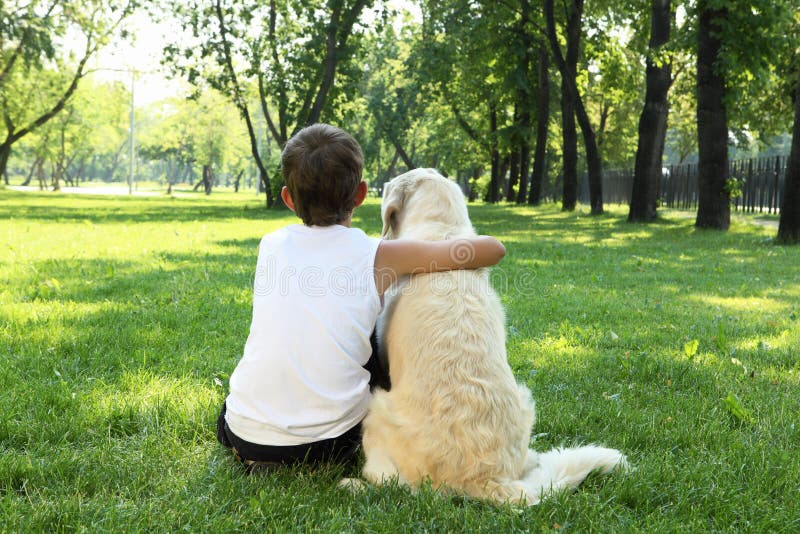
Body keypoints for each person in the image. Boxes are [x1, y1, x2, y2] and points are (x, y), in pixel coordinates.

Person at [216, 123, 506, 471]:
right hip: (329, 446)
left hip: (245, 436)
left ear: (288, 199)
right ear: (361, 194)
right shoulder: (377, 255)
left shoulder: (271, 245)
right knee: (374, 334)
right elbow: (492, 249)